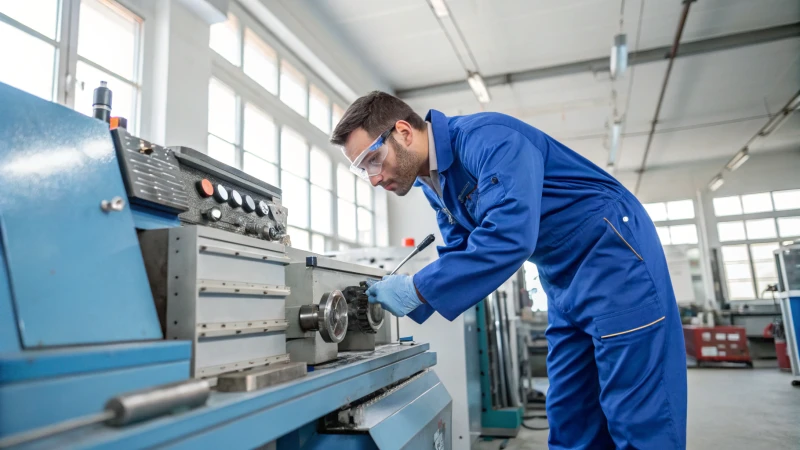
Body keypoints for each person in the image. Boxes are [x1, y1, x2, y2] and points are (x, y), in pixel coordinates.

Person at [330, 91, 687, 449]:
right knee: (570, 410)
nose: (374, 178)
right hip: (561, 277)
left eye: (373, 160)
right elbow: (462, 250)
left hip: (613, 258)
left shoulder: (488, 138)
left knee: (637, 411)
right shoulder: (434, 183)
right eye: (364, 170)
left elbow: (510, 236)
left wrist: (416, 289)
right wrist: (414, 292)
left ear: (404, 132)